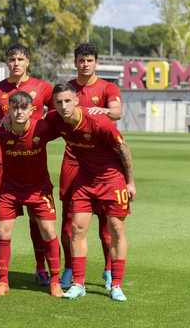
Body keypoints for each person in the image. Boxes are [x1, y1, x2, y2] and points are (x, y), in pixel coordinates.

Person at [45, 83, 136, 301]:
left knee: (116, 230)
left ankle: (116, 284)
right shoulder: (55, 119)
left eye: (68, 101)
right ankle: (78, 283)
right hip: (85, 180)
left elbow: (123, 149)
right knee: (76, 229)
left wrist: (130, 182)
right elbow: (34, 124)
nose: (63, 106)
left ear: (77, 100)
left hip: (112, 179)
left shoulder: (98, 122)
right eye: (59, 102)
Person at [0, 43, 53, 285]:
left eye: (20, 59)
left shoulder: (42, 87)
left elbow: (59, 112)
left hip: (32, 158)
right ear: (6, 62)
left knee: (37, 217)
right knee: (0, 219)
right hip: (4, 159)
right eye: (12, 59)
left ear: (27, 62)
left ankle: (41, 268)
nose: (16, 63)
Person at [58, 42, 123, 290]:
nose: (84, 64)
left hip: (103, 160)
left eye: (89, 60)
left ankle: (108, 269)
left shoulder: (108, 87)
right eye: (80, 60)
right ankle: (69, 269)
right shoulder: (67, 89)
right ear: (74, 62)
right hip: (73, 158)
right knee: (69, 217)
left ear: (97, 62)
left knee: (106, 221)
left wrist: (102, 110)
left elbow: (116, 112)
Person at [0, 91, 63, 297]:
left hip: (39, 190)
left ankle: (55, 281)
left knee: (49, 232)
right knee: (3, 233)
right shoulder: (0, 129)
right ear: (8, 110)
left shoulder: (43, 127)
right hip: (9, 191)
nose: (19, 112)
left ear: (32, 110)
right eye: (15, 108)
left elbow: (65, 121)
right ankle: (3, 282)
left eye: (23, 108)